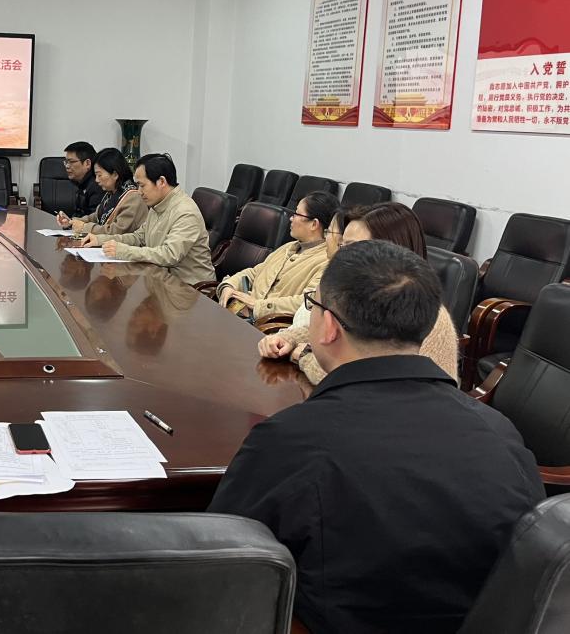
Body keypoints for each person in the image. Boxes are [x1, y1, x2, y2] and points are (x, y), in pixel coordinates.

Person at [210, 241, 544, 634]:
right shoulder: (501, 432)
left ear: (329, 326)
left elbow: (220, 561)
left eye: (312, 305)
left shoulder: (290, 441)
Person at [260, 202, 459, 385]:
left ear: (390, 251)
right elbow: (335, 331)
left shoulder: (427, 318)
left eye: (353, 247)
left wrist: (304, 355)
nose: (341, 255)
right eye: (343, 245)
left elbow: (361, 380)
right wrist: (289, 338)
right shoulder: (362, 294)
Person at [82, 153, 214, 286]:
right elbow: (139, 238)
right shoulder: (157, 205)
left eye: (142, 185)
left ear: (161, 182)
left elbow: (169, 255)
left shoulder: (185, 212)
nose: (139, 191)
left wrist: (123, 251)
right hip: (160, 279)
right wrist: (100, 240)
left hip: (189, 288)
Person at [216, 191, 338, 320]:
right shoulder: (288, 247)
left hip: (266, 326)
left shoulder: (327, 263)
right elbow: (255, 272)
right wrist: (229, 285)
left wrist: (258, 306)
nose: (291, 218)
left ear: (314, 224)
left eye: (297, 214)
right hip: (240, 314)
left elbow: (306, 303)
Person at [56, 147, 147, 236]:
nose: (96, 180)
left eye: (99, 175)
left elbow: (116, 231)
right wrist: (71, 222)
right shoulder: (111, 193)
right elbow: (96, 217)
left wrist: (84, 227)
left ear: (115, 174)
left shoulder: (133, 197)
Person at [60, 141, 104, 217]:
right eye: (66, 162)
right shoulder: (82, 183)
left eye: (71, 162)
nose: (67, 166)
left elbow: (94, 220)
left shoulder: (97, 186)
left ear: (87, 163)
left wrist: (72, 222)